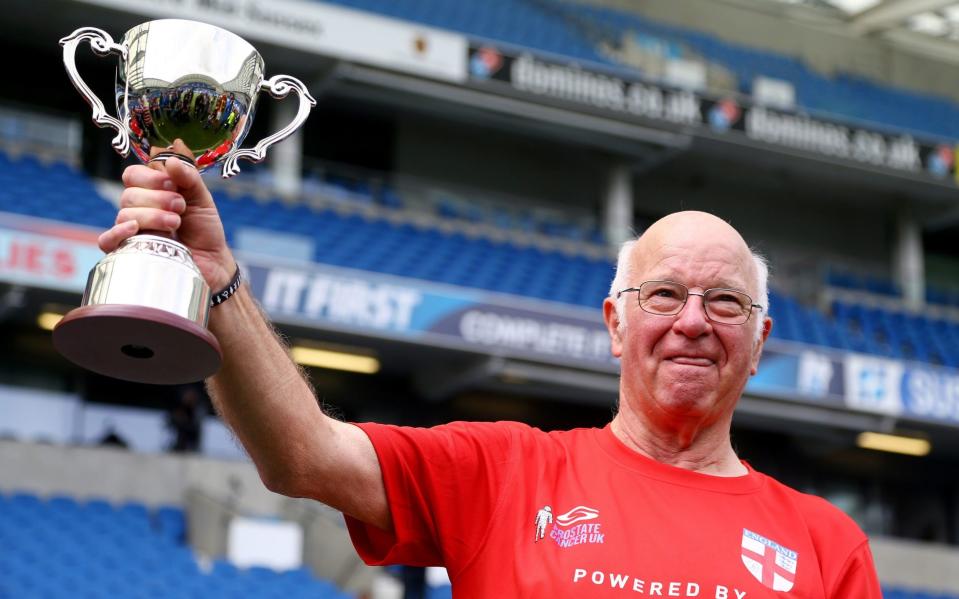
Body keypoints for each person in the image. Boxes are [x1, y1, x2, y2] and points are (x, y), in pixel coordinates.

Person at [101, 143, 882, 597]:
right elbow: (302, 452)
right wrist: (218, 282)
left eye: (724, 303)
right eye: (664, 294)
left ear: (758, 341)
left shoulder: (825, 544)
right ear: (615, 323)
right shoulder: (505, 472)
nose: (690, 321)